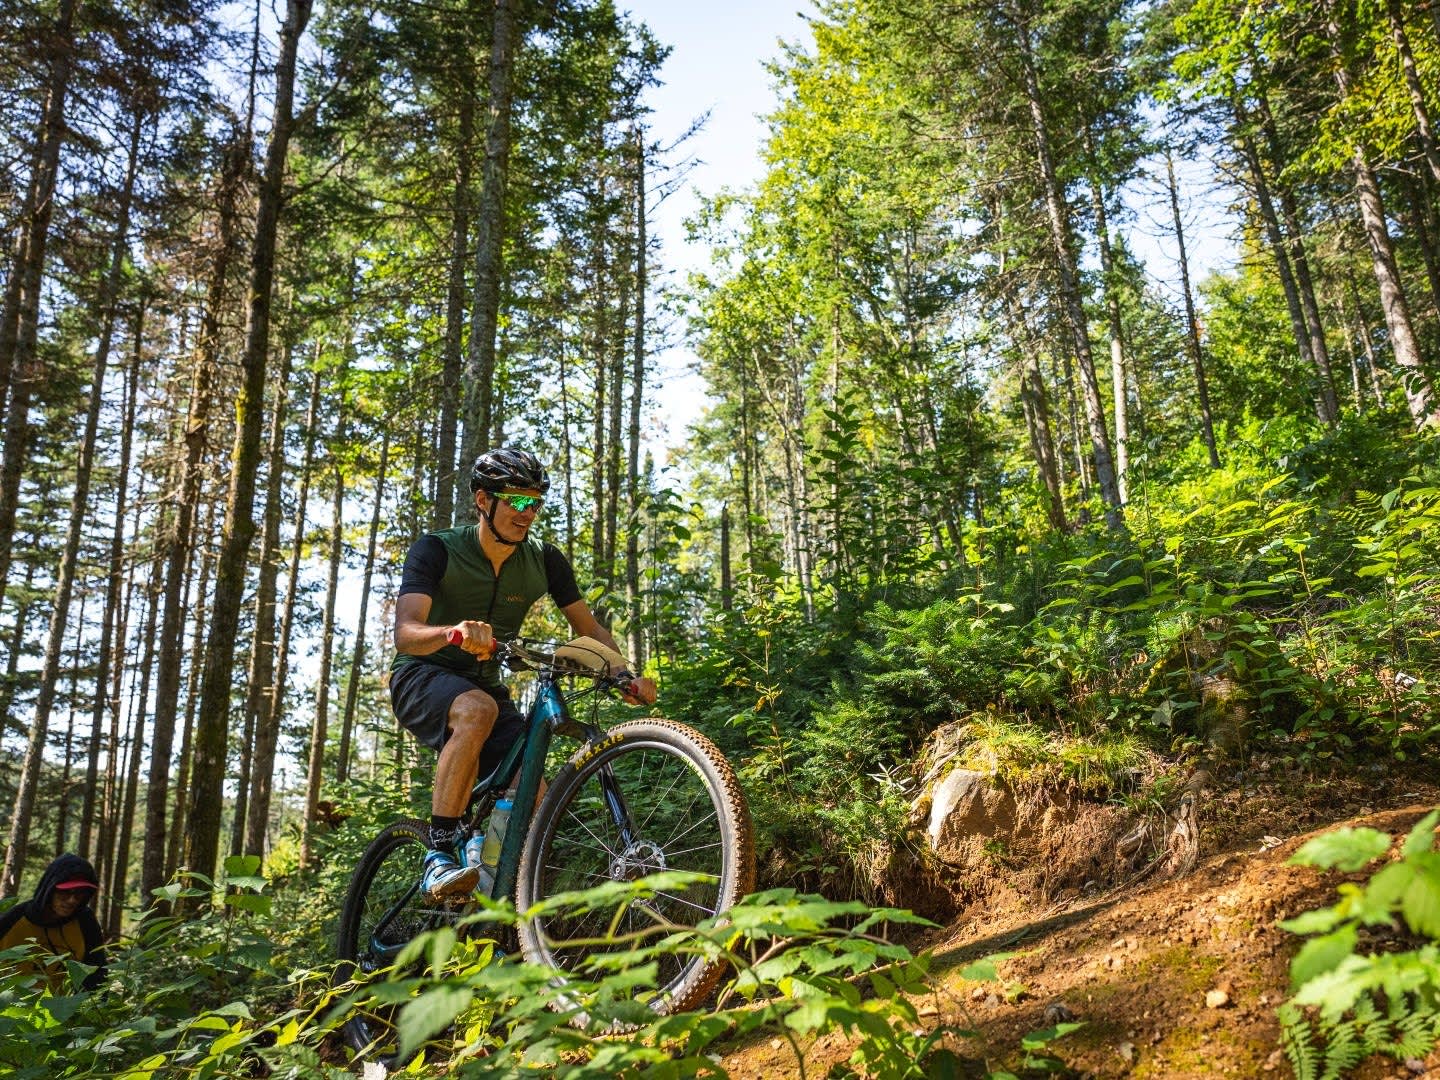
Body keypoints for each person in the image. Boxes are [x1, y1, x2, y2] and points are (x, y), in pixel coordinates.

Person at [390, 446, 657, 899]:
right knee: (476, 710)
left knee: (535, 796)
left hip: (486, 686)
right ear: (482, 500)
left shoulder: (543, 560)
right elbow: (407, 632)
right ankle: (437, 855)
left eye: (534, 502)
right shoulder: (437, 549)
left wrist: (624, 673)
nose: (526, 512)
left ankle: (492, 901)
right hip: (421, 674)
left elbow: (588, 628)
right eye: (515, 500)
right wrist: (452, 632)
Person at [0, 852, 106, 990]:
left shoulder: (85, 922)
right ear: (49, 890)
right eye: (65, 892)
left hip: (64, 1008)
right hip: (13, 1007)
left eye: (80, 893)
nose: (72, 900)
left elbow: (96, 972)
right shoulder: (13, 919)